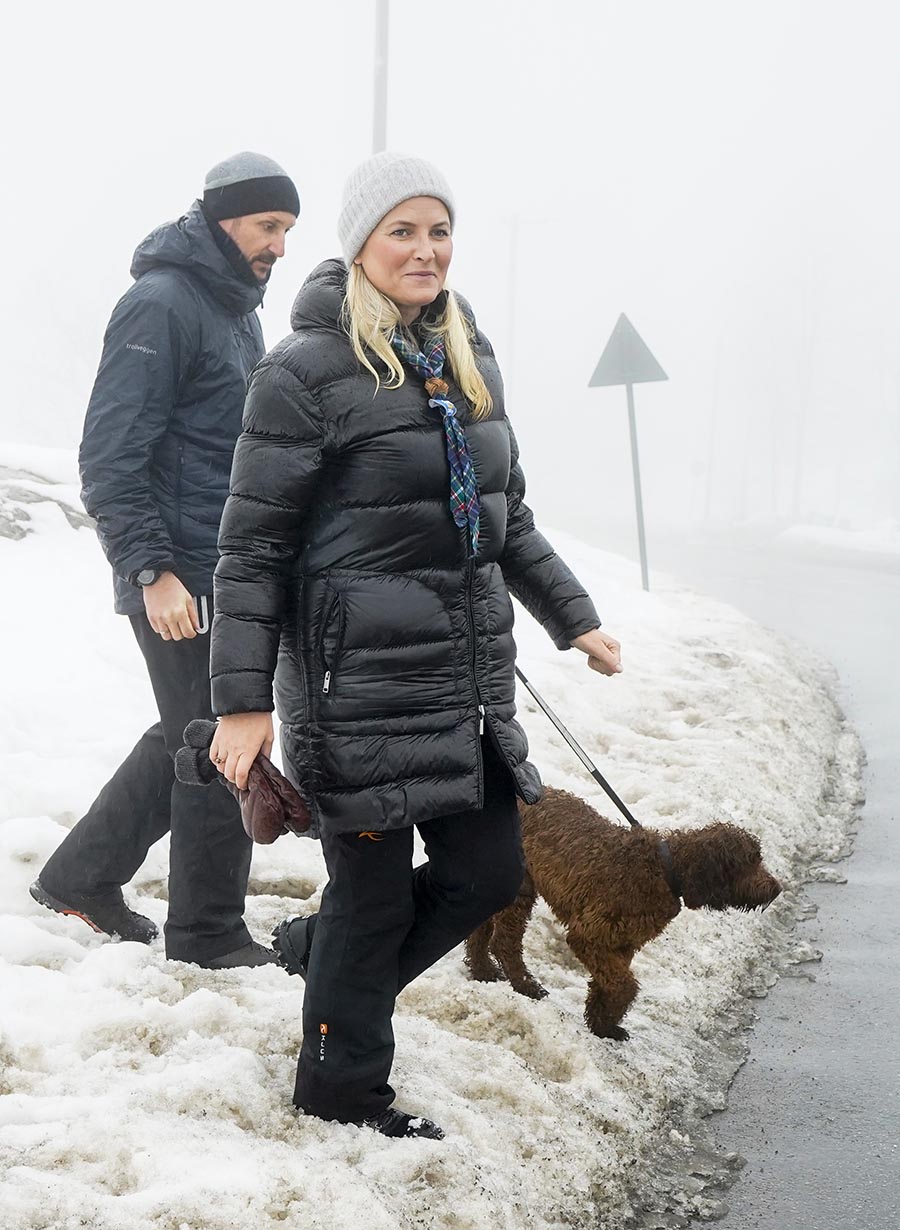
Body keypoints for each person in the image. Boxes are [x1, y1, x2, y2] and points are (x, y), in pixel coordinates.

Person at [208, 151, 621, 1134]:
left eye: (439, 231)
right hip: (358, 687)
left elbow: (505, 515)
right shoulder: (302, 375)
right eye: (403, 230)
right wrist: (242, 698)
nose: (426, 250)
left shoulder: (463, 351)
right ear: (359, 245)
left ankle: (330, 974)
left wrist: (576, 615)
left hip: (463, 682)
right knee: (376, 896)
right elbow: (251, 549)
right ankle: (342, 1088)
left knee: (485, 872)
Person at [31, 153, 300, 969]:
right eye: (268, 227)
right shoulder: (160, 304)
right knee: (223, 741)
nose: (280, 246)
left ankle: (82, 875)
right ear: (223, 220)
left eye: (288, 230)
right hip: (176, 571)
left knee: (189, 731)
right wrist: (152, 571)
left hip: (225, 568)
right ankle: (207, 932)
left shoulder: (235, 309)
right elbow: (109, 456)